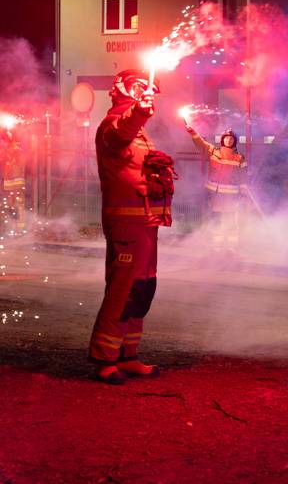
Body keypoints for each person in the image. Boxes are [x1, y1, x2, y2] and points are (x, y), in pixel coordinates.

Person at [89, 69, 175, 385]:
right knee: (122, 291)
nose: (144, 92)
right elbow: (118, 135)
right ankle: (104, 359)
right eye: (138, 87)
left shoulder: (139, 131)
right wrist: (138, 113)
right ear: (123, 89)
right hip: (126, 222)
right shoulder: (113, 123)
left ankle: (128, 356)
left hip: (145, 220)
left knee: (142, 290)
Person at [184, 125, 246, 246]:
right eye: (227, 138)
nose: (228, 140)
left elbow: (243, 176)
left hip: (231, 196)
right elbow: (201, 144)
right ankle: (217, 246)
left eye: (231, 139)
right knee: (216, 219)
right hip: (215, 195)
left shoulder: (239, 157)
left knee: (231, 220)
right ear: (222, 139)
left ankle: (231, 247)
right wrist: (193, 132)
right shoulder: (213, 151)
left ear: (234, 141)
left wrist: (243, 193)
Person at [0, 127, 26, 234]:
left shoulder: (18, 154)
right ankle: (11, 227)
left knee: (17, 205)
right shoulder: (6, 154)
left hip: (16, 184)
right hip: (8, 184)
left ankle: (18, 229)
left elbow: (20, 165)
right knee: (9, 205)